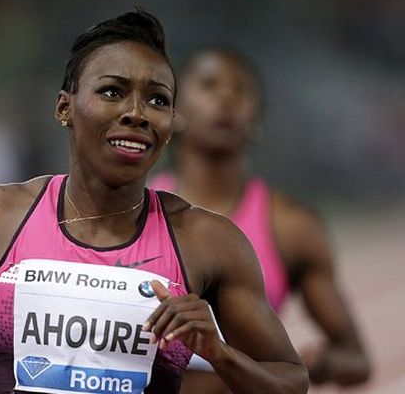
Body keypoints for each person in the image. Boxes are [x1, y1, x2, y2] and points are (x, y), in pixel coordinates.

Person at [0, 10, 309, 394]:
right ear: (64, 108)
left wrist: (220, 354)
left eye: (158, 100)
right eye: (113, 92)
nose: (137, 114)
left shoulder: (209, 242)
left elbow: (289, 381)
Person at [149, 45, 371, 393]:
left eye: (241, 88)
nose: (227, 98)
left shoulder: (291, 226)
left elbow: (356, 360)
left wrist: (321, 364)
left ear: (257, 117)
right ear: (174, 111)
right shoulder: (136, 211)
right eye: (209, 85)